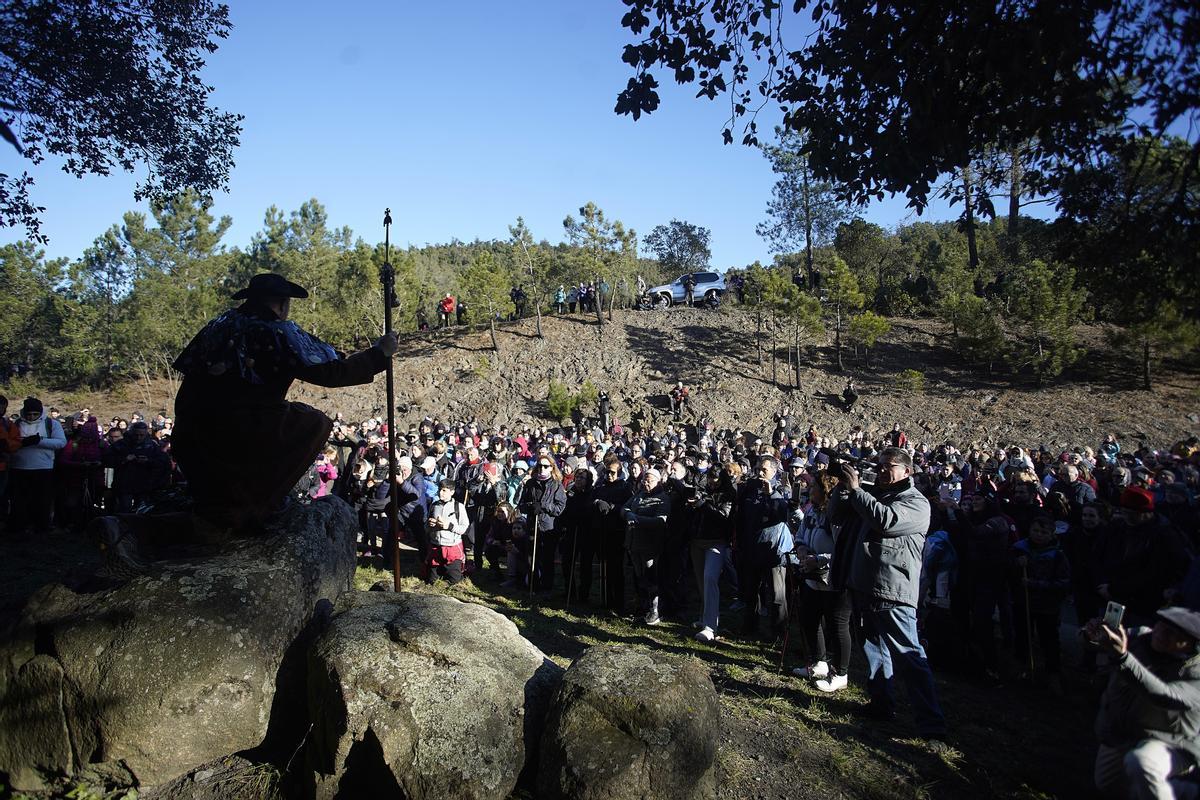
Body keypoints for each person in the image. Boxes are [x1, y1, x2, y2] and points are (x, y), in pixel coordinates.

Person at [165, 273, 398, 537]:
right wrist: (379, 354)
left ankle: (223, 505)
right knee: (313, 422)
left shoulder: (217, 326)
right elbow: (332, 372)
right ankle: (259, 505)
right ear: (281, 303)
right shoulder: (275, 330)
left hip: (191, 437)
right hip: (238, 435)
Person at [830, 447, 948, 743]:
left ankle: (932, 727)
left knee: (910, 658)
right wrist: (843, 489)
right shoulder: (873, 494)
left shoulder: (916, 502)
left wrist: (857, 490)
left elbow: (887, 521)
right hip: (864, 586)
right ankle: (881, 705)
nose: (882, 470)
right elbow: (837, 516)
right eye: (880, 465)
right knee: (874, 651)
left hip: (893, 590)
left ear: (908, 472)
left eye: (890, 466)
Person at [1090, 606, 1200, 799]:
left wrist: (1123, 658)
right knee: (1108, 784)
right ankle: (1184, 793)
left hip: (1172, 741)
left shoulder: (1197, 672)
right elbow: (1095, 643)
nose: (1162, 634)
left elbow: (1165, 695)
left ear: (1192, 645)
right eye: (1161, 625)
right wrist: (1090, 634)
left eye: (1174, 633)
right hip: (1125, 731)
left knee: (1142, 762)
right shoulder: (1140, 637)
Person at [8, 397, 66, 537]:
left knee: (42, 500)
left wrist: (39, 441)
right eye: (29, 414)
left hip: (43, 467)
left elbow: (60, 442)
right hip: (19, 467)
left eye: (35, 414)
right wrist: (23, 443)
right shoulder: (16, 424)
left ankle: (41, 527)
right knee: (20, 500)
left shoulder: (51, 424)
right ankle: (20, 527)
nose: (32, 417)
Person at [622, 466, 673, 625]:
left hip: (650, 544)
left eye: (649, 481)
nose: (646, 483)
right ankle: (642, 607)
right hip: (634, 542)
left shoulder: (663, 498)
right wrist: (628, 513)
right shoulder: (639, 495)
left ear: (658, 482)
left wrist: (637, 519)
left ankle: (655, 610)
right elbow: (624, 507)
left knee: (651, 577)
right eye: (644, 479)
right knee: (639, 576)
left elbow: (660, 521)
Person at [426, 479, 470, 584]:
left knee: (454, 581)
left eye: (444, 490)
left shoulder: (458, 507)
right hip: (436, 546)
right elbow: (426, 527)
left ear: (452, 492)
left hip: (452, 547)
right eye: (439, 490)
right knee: (432, 581)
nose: (440, 493)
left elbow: (465, 528)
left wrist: (449, 526)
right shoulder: (434, 505)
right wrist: (430, 525)